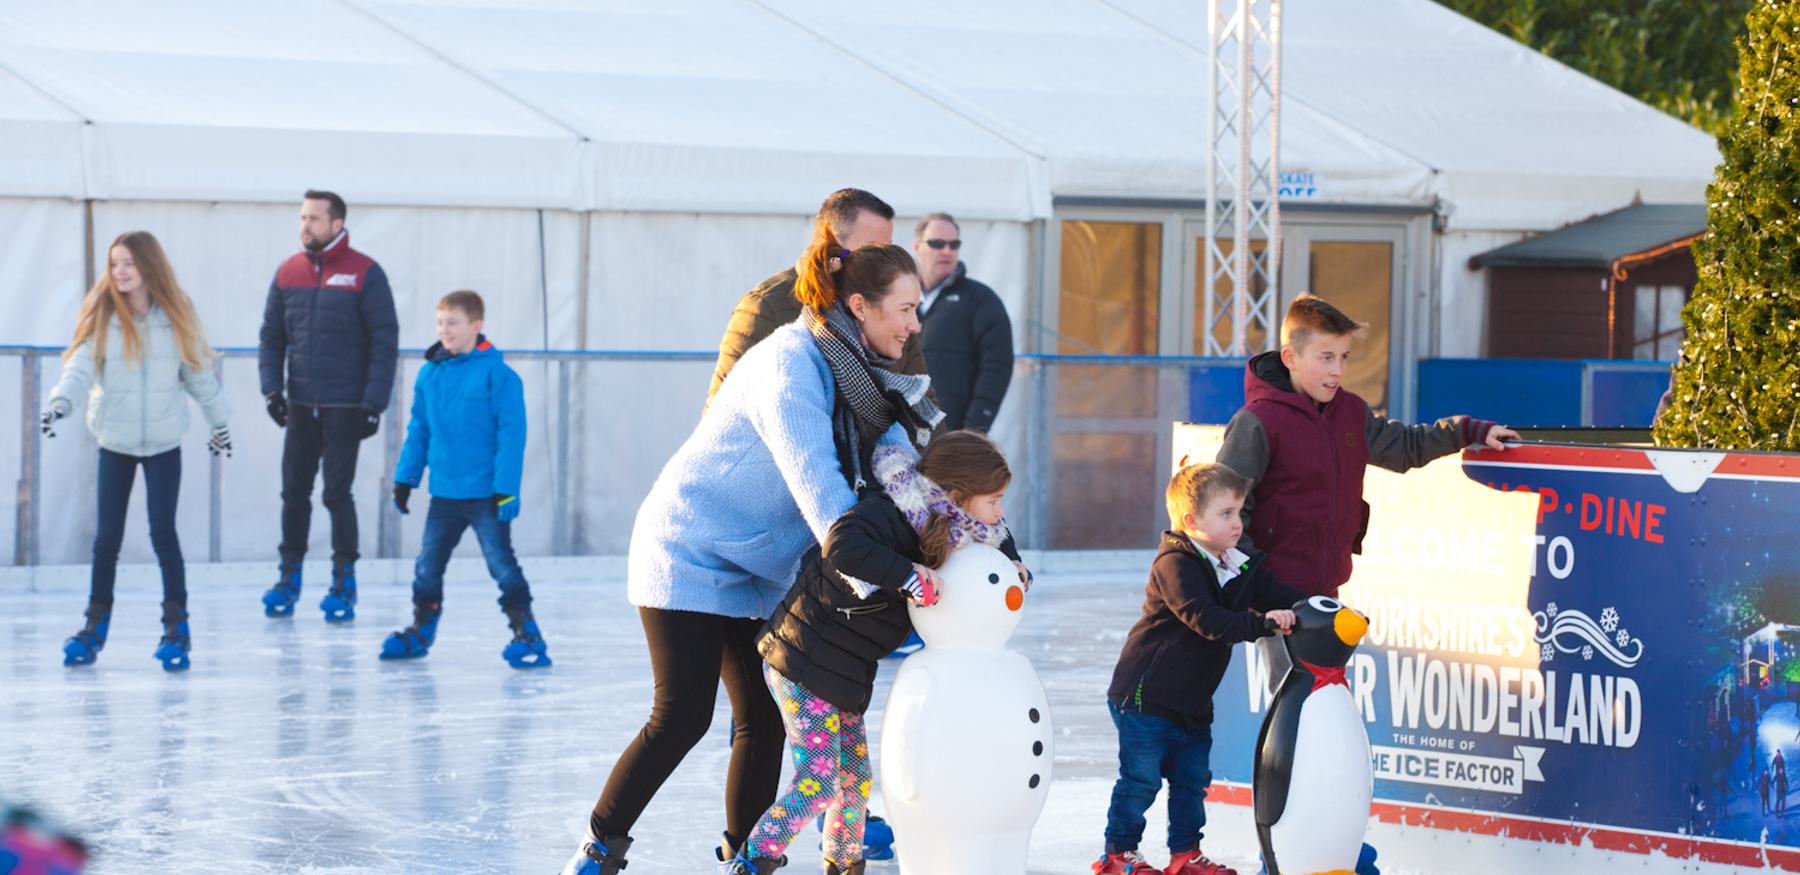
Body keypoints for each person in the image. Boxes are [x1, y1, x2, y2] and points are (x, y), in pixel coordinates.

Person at [559, 232, 942, 875]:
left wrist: (959, 533)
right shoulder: (789, 363)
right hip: (686, 548)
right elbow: (817, 484)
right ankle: (600, 847)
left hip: (759, 563)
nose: (913, 324)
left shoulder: (864, 380)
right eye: (903, 309)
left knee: (763, 720)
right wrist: (887, 576)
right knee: (681, 715)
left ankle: (747, 859)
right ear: (859, 306)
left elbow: (901, 475)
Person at [740, 431, 1015, 875]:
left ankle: (844, 864)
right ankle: (752, 862)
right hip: (803, 657)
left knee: (854, 782)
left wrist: (1014, 563)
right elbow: (842, 547)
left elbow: (997, 533)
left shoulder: (962, 524)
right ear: (959, 496)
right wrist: (907, 574)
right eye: (995, 499)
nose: (1000, 512)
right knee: (819, 780)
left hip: (844, 668)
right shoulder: (891, 513)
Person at [1216, 293, 1519, 599]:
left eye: (1344, 356)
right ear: (1290, 358)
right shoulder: (1257, 422)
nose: (1338, 369)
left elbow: (1403, 446)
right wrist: (1256, 582)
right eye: (1326, 357)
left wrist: (1468, 431)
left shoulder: (1349, 411)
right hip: (1271, 598)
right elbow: (1220, 507)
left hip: (1326, 593)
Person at [1091, 463, 1301, 875]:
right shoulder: (1176, 563)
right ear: (1192, 520)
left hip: (1192, 701)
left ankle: (1185, 854)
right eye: (1225, 514)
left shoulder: (1238, 563)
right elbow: (1205, 620)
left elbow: (1276, 592)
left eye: (1240, 512)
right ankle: (1117, 854)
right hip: (1145, 696)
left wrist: (1316, 607)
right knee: (1141, 781)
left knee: (1191, 782)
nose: (1237, 523)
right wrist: (1264, 623)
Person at [44, 231, 232, 672]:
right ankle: (94, 628)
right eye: (114, 264)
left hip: (164, 443)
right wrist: (61, 402)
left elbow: (199, 375)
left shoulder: (176, 315)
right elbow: (80, 368)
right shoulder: (104, 316)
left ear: (149, 266)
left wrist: (220, 422)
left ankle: (176, 629)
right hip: (116, 442)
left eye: (128, 263)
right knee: (106, 539)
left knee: (163, 534)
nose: (120, 272)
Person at [378, 291, 548, 669]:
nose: (444, 330)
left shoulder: (498, 376)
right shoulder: (430, 374)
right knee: (426, 566)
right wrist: (406, 479)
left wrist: (506, 490)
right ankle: (422, 629)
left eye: (452, 323)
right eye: (440, 323)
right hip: (445, 494)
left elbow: (511, 435)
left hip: (486, 494)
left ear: (476, 325)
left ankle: (528, 632)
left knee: (501, 565)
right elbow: (419, 430)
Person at [258, 190, 399, 622]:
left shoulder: (365, 273)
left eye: (314, 219)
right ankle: (289, 577)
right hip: (300, 404)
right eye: (302, 217)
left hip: (346, 406)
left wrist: (373, 402)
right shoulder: (288, 272)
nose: (305, 226)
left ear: (337, 223)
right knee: (294, 494)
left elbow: (384, 341)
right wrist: (271, 390)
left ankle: (344, 581)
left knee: (337, 494)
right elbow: (271, 337)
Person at [707, 188, 927, 405]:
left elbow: (922, 403)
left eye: (886, 249)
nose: (881, 261)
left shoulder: (896, 308)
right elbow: (723, 409)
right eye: (870, 249)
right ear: (829, 244)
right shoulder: (766, 306)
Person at [911, 212, 1014, 432]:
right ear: (917, 247)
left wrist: (974, 429)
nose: (947, 251)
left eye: (954, 244)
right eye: (937, 243)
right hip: (900, 433)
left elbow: (997, 367)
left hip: (952, 434)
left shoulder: (981, 300)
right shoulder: (898, 298)